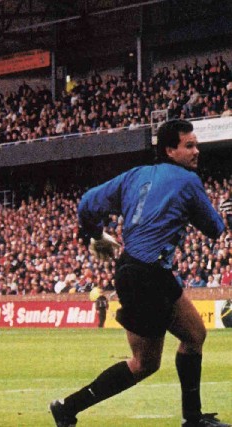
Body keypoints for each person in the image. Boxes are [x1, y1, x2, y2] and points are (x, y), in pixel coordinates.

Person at [50, 119, 231, 427]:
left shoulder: (134, 175)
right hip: (147, 275)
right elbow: (214, 229)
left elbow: (87, 203)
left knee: (195, 335)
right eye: (189, 146)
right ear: (170, 150)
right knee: (145, 363)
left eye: (196, 145)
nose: (196, 151)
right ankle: (67, 407)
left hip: (141, 270)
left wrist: (96, 235)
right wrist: (225, 214)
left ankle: (193, 418)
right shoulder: (188, 181)